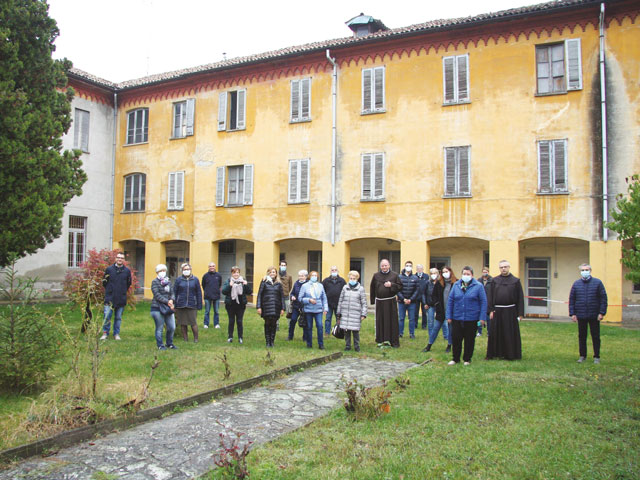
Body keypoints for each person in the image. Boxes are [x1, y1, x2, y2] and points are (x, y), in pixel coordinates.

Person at [447, 266, 487, 365]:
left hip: (472, 317)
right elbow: (450, 300)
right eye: (464, 274)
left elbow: (483, 302)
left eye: (468, 274)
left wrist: (482, 317)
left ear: (472, 275)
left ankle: (467, 359)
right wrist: (449, 316)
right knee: (456, 339)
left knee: (469, 340)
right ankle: (455, 358)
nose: (466, 276)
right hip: (457, 317)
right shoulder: (456, 285)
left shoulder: (478, 286)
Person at [569, 263, 608, 364]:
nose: (584, 272)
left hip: (594, 314)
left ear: (590, 271)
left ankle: (596, 356)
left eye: (586, 270)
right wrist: (572, 313)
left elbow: (603, 298)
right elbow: (572, 299)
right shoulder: (576, 284)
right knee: (582, 336)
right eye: (582, 270)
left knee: (595, 336)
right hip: (581, 314)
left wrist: (601, 313)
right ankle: (582, 355)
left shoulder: (598, 283)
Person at [486, 260, 524, 360]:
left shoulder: (516, 281)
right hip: (497, 311)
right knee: (495, 333)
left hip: (510, 311)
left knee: (509, 333)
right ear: (499, 268)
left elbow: (520, 298)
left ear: (509, 267)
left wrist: (520, 313)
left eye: (505, 267)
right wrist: (490, 310)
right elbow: (490, 296)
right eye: (501, 267)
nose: (503, 269)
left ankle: (510, 354)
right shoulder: (494, 281)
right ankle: (495, 353)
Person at [370, 259, 403, 348]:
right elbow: (372, 287)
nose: (384, 267)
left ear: (389, 266)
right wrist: (372, 300)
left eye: (386, 265)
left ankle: (393, 341)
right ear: (380, 266)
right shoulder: (376, 275)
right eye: (382, 266)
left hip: (390, 302)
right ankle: (381, 340)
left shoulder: (395, 275)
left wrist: (391, 285)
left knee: (391, 321)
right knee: (380, 320)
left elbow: (400, 287)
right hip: (380, 302)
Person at [101, 251, 132, 340]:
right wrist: (110, 290)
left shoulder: (127, 271)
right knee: (107, 316)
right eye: (118, 258)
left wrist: (122, 291)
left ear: (124, 260)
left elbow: (128, 283)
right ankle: (105, 333)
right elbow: (104, 282)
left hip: (121, 298)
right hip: (109, 297)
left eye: (122, 258)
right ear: (115, 259)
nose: (120, 259)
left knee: (118, 318)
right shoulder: (109, 270)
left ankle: (116, 334)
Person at [336, 270, 368, 352]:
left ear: (357, 279)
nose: (352, 280)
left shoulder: (361, 289)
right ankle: (347, 346)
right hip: (345, 312)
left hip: (356, 313)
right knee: (346, 331)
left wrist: (363, 314)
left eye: (354, 278)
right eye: (351, 278)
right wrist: (338, 312)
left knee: (355, 331)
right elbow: (340, 300)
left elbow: (364, 302)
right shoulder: (345, 288)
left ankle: (357, 346)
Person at [422, 268, 451, 353]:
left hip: (450, 310)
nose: (445, 273)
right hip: (440, 310)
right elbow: (434, 295)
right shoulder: (439, 283)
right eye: (444, 272)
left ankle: (449, 345)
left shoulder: (454, 283)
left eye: (447, 272)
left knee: (449, 327)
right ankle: (429, 345)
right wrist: (436, 304)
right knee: (436, 327)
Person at [257, 266, 286, 347]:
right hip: (266, 306)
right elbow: (260, 294)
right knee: (267, 323)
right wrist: (258, 307)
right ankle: (267, 342)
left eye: (274, 272)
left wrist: (283, 308)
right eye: (271, 272)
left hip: (276, 307)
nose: (272, 273)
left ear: (276, 274)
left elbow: (282, 296)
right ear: (268, 273)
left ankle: (272, 342)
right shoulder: (264, 282)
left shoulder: (279, 283)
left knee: (274, 324)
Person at [221, 266, 252, 344]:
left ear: (239, 273)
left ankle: (240, 337)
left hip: (241, 305)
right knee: (231, 321)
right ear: (232, 273)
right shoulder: (229, 281)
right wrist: (230, 285)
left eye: (237, 272)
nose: (236, 274)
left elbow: (249, 292)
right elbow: (223, 291)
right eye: (234, 272)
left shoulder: (242, 281)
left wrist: (246, 285)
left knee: (239, 321)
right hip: (230, 304)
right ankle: (230, 337)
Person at [173, 263, 203, 342]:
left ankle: (196, 338)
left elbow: (199, 292)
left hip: (192, 304)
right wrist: (174, 304)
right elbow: (174, 292)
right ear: (182, 271)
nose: (186, 271)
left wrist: (199, 304)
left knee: (193, 322)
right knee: (183, 323)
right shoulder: (178, 280)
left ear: (190, 270)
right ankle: (185, 338)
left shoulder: (195, 279)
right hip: (181, 304)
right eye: (184, 269)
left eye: (187, 269)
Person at [299, 270, 328, 349]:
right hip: (308, 309)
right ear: (309, 276)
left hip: (318, 309)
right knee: (309, 327)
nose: (314, 277)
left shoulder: (320, 286)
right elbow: (300, 298)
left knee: (319, 326)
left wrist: (325, 308)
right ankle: (309, 344)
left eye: (315, 275)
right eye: (312, 275)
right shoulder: (304, 286)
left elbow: (324, 297)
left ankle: (321, 344)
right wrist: (308, 300)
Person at [150, 264, 177, 350]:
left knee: (172, 327)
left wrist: (172, 300)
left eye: (164, 270)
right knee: (160, 327)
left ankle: (169, 343)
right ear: (157, 272)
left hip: (168, 307)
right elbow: (157, 295)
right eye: (161, 271)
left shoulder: (168, 282)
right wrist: (167, 301)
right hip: (157, 308)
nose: (162, 272)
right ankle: (160, 345)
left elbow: (172, 292)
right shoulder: (154, 282)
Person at [397, 260, 420, 339]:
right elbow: (397, 290)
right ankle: (400, 333)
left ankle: (412, 333)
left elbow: (417, 290)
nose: (408, 267)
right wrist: (403, 299)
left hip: (412, 302)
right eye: (407, 265)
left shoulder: (415, 278)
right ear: (404, 266)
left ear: (412, 267)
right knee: (401, 318)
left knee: (412, 318)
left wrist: (411, 299)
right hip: (401, 302)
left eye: (410, 266)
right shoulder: (399, 277)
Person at [322, 266, 346, 335]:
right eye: (332, 270)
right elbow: (322, 291)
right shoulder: (326, 281)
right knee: (328, 319)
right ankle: (327, 332)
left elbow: (345, 291)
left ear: (338, 271)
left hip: (338, 303)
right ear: (330, 271)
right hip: (328, 303)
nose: (334, 271)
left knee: (338, 319)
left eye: (335, 270)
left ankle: (338, 332)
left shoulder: (342, 281)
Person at [201, 262, 222, 329]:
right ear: (208, 267)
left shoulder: (218, 275)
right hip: (207, 296)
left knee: (216, 311)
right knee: (207, 311)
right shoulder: (205, 276)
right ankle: (206, 324)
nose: (211, 267)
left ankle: (216, 324)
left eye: (213, 266)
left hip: (216, 296)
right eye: (210, 266)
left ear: (215, 267)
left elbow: (220, 284)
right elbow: (203, 285)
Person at [288, 270, 308, 341]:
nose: (300, 277)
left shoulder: (308, 284)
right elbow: (292, 293)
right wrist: (292, 296)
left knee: (305, 322)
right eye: (299, 276)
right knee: (293, 320)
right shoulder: (296, 283)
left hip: (305, 306)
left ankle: (305, 338)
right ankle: (290, 336)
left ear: (305, 276)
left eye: (302, 276)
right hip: (296, 306)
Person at [478, 266, 493, 336]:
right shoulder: (479, 280)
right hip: (480, 302)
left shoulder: (492, 281)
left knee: (489, 319)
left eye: (486, 272)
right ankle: (479, 331)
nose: (484, 273)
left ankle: (489, 332)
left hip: (489, 302)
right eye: (483, 272)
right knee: (479, 318)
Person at [415, 264, 429, 330]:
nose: (419, 269)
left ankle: (424, 325)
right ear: (416, 269)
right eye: (418, 268)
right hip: (416, 297)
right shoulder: (414, 276)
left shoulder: (426, 276)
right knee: (415, 312)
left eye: (420, 268)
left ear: (422, 269)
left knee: (424, 312)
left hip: (424, 297)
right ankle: (415, 324)